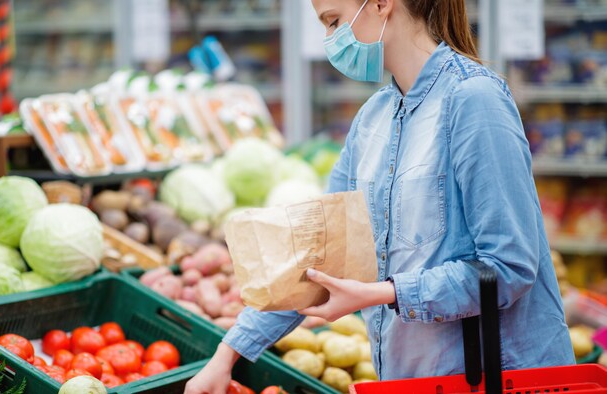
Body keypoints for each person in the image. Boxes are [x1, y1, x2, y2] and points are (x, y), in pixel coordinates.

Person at [185, 0, 575, 392]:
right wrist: (227, 355)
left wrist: (382, 293)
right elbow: (313, 254)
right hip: (409, 381)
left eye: (333, 21)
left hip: (500, 379)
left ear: (381, 4)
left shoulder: (474, 100)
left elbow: (508, 267)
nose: (329, 39)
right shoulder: (372, 120)